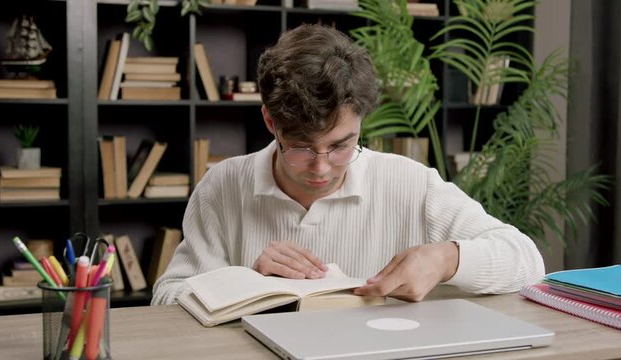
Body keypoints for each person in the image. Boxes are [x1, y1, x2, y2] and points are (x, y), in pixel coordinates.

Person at [152, 24, 545, 305]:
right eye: (302, 149)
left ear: (361, 122)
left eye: (341, 146)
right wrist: (245, 283)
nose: (322, 169)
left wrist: (447, 259)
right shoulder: (223, 186)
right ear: (271, 122)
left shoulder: (408, 182)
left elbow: (527, 262)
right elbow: (166, 300)